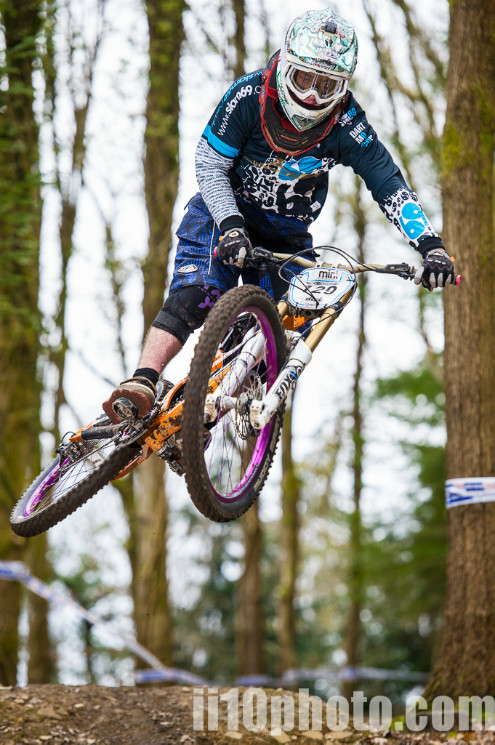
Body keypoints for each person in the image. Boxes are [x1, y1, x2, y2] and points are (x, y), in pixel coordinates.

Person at [103, 6, 455, 423]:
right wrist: (231, 226)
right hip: (223, 210)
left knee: (279, 333)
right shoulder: (248, 95)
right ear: (286, 66)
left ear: (343, 87)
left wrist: (431, 247)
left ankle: (205, 422)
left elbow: (389, 186)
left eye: (327, 85)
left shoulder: (348, 125)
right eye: (304, 79)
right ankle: (143, 380)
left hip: (285, 233)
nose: (312, 96)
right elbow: (209, 162)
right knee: (198, 293)